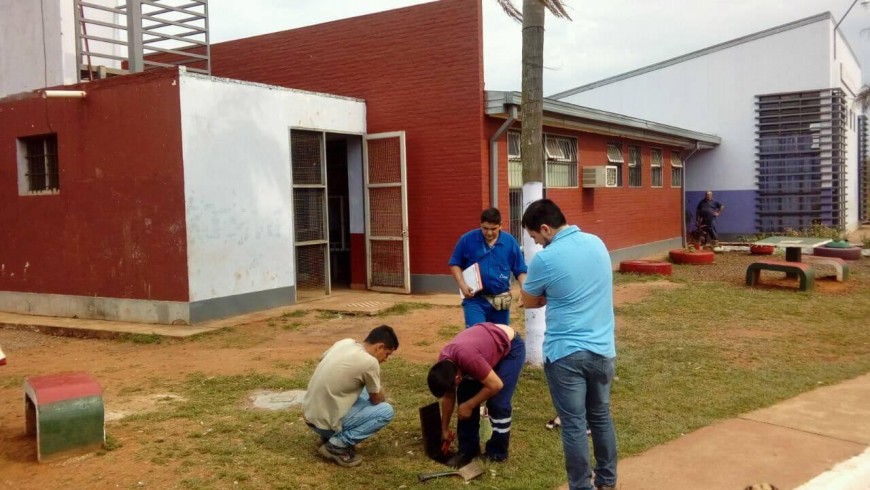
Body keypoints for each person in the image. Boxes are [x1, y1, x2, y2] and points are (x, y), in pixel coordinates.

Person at [520, 199, 618, 490]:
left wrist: (548, 294)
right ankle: (607, 481)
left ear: (546, 229)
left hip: (566, 355)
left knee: (574, 424)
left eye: (535, 236)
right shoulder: (597, 243)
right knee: (600, 417)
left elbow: (528, 301)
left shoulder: (545, 260)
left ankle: (581, 486)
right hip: (603, 351)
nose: (536, 243)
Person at [427, 322, 525, 467]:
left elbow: (496, 385)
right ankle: (468, 451)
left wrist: (470, 405)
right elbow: (449, 396)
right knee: (465, 395)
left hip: (510, 348)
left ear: (457, 378)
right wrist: (444, 429)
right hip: (483, 350)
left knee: (498, 403)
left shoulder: (469, 360)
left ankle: (497, 453)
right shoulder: (445, 362)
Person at [303, 325, 399, 467]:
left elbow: (321, 359)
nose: (386, 359)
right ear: (379, 347)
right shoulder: (370, 362)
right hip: (324, 424)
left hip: (310, 416)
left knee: (363, 388)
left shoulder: (345, 343)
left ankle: (326, 437)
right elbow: (377, 399)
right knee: (385, 411)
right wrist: (378, 387)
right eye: (387, 354)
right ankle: (337, 445)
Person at [448, 208, 527, 328]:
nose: (489, 233)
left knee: (499, 337)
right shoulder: (467, 240)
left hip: (500, 300)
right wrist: (462, 284)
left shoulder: (510, 242)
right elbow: (455, 263)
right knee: (476, 335)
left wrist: (524, 290)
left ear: (500, 225)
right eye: (485, 228)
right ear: (480, 224)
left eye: (493, 229)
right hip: (475, 300)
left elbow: (520, 269)